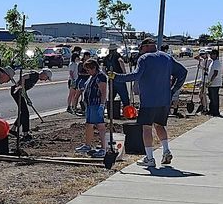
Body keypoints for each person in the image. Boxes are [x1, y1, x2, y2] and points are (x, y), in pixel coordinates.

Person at [117, 39, 188, 168]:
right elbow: (183, 72)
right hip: (164, 101)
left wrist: (117, 77)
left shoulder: (144, 59)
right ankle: (166, 150)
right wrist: (173, 90)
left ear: (147, 46)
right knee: (160, 125)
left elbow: (136, 75)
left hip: (149, 101)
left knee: (146, 127)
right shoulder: (167, 58)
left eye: (141, 48)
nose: (140, 51)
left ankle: (149, 158)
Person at [75, 57, 111, 157]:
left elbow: (103, 91)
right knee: (89, 125)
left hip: (96, 104)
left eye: (89, 69)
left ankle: (104, 148)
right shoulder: (92, 77)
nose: (88, 72)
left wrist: (102, 105)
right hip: (90, 104)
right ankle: (87, 144)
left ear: (94, 67)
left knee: (100, 126)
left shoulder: (100, 77)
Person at [10, 67, 49, 141]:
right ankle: (25, 134)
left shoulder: (36, 78)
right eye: (46, 78)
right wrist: (21, 87)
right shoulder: (35, 75)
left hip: (20, 93)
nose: (45, 80)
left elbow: (24, 90)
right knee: (25, 113)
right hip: (16, 92)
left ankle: (13, 129)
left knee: (24, 113)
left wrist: (27, 99)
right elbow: (23, 76)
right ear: (44, 74)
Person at [101, 45, 129, 113]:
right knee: (124, 96)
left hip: (111, 78)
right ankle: (127, 111)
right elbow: (121, 61)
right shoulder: (117, 56)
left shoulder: (107, 57)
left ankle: (111, 111)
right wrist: (124, 73)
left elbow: (103, 68)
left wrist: (107, 74)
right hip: (119, 77)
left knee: (111, 96)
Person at [205, 48, 223, 116]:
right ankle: (211, 110)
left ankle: (216, 111)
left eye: (212, 54)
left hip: (215, 84)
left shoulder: (217, 63)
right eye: (210, 54)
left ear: (215, 55)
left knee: (214, 98)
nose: (210, 55)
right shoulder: (213, 62)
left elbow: (215, 73)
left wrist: (210, 81)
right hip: (211, 83)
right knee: (211, 98)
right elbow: (210, 71)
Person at [66, 47, 82, 112]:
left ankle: (73, 106)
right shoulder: (72, 64)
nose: (78, 58)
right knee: (71, 94)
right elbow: (71, 73)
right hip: (72, 80)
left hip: (75, 79)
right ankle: (69, 106)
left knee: (74, 94)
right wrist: (73, 80)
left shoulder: (76, 64)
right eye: (77, 57)